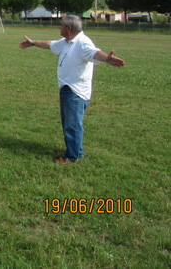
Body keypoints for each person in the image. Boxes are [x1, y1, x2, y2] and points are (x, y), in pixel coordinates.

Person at [19, 15, 125, 165]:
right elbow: (50, 44)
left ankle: (72, 156)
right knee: (69, 123)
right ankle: (75, 150)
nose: (59, 27)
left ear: (69, 28)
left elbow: (95, 52)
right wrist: (33, 43)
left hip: (75, 92)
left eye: (61, 25)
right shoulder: (66, 42)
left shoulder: (82, 43)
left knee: (72, 125)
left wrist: (107, 58)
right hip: (67, 89)